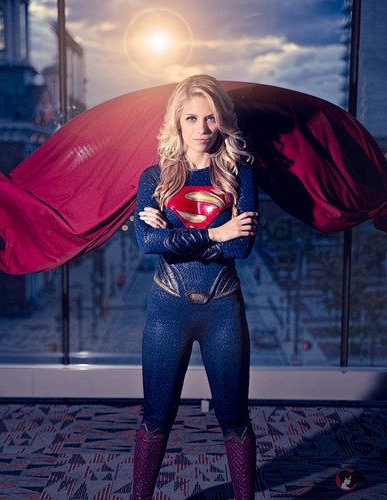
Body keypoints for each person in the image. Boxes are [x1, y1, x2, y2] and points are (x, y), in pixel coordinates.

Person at [132, 74, 259, 499]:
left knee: (234, 418)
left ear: (222, 120)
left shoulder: (240, 175)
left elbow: (241, 248)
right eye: (191, 118)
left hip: (222, 309)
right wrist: (215, 234)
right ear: (177, 122)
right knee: (156, 416)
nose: (202, 129)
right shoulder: (153, 178)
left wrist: (176, 234)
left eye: (210, 117)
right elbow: (148, 243)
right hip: (168, 309)